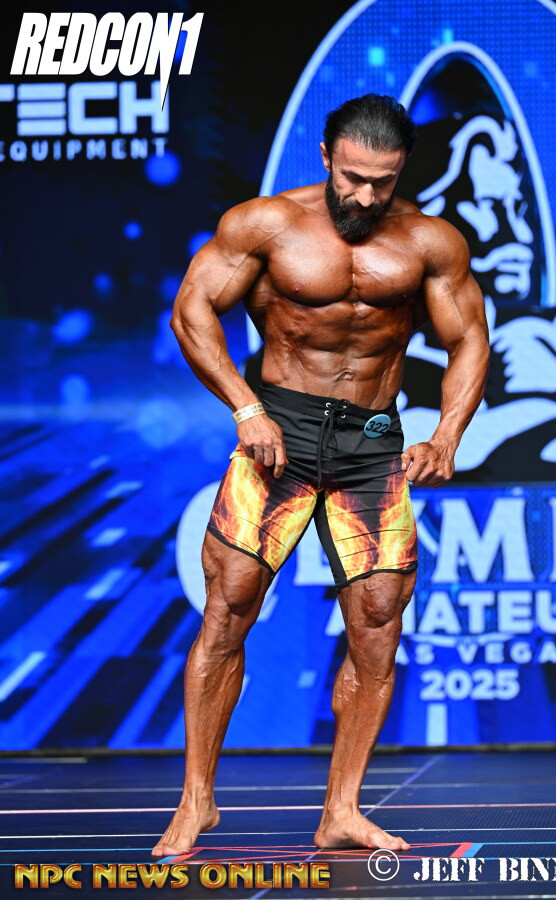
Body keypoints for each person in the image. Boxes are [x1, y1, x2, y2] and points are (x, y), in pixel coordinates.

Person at [152, 94, 490, 857]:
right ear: (326, 156)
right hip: (278, 437)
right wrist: (245, 408)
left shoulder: (429, 242)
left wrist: (447, 434)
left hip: (372, 445)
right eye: (353, 178)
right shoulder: (265, 225)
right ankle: (196, 801)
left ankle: (342, 809)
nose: (365, 197)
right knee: (228, 610)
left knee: (378, 624)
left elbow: (470, 336)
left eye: (383, 182)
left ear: (402, 173)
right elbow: (192, 311)